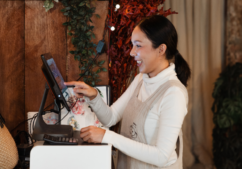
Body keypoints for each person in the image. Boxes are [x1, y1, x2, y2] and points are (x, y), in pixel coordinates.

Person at [65, 15, 191, 169]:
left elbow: (162, 156)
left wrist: (107, 136)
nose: (132, 52)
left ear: (161, 49)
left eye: (138, 45)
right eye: (132, 45)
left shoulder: (174, 93)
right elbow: (110, 118)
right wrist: (94, 96)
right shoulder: (140, 80)